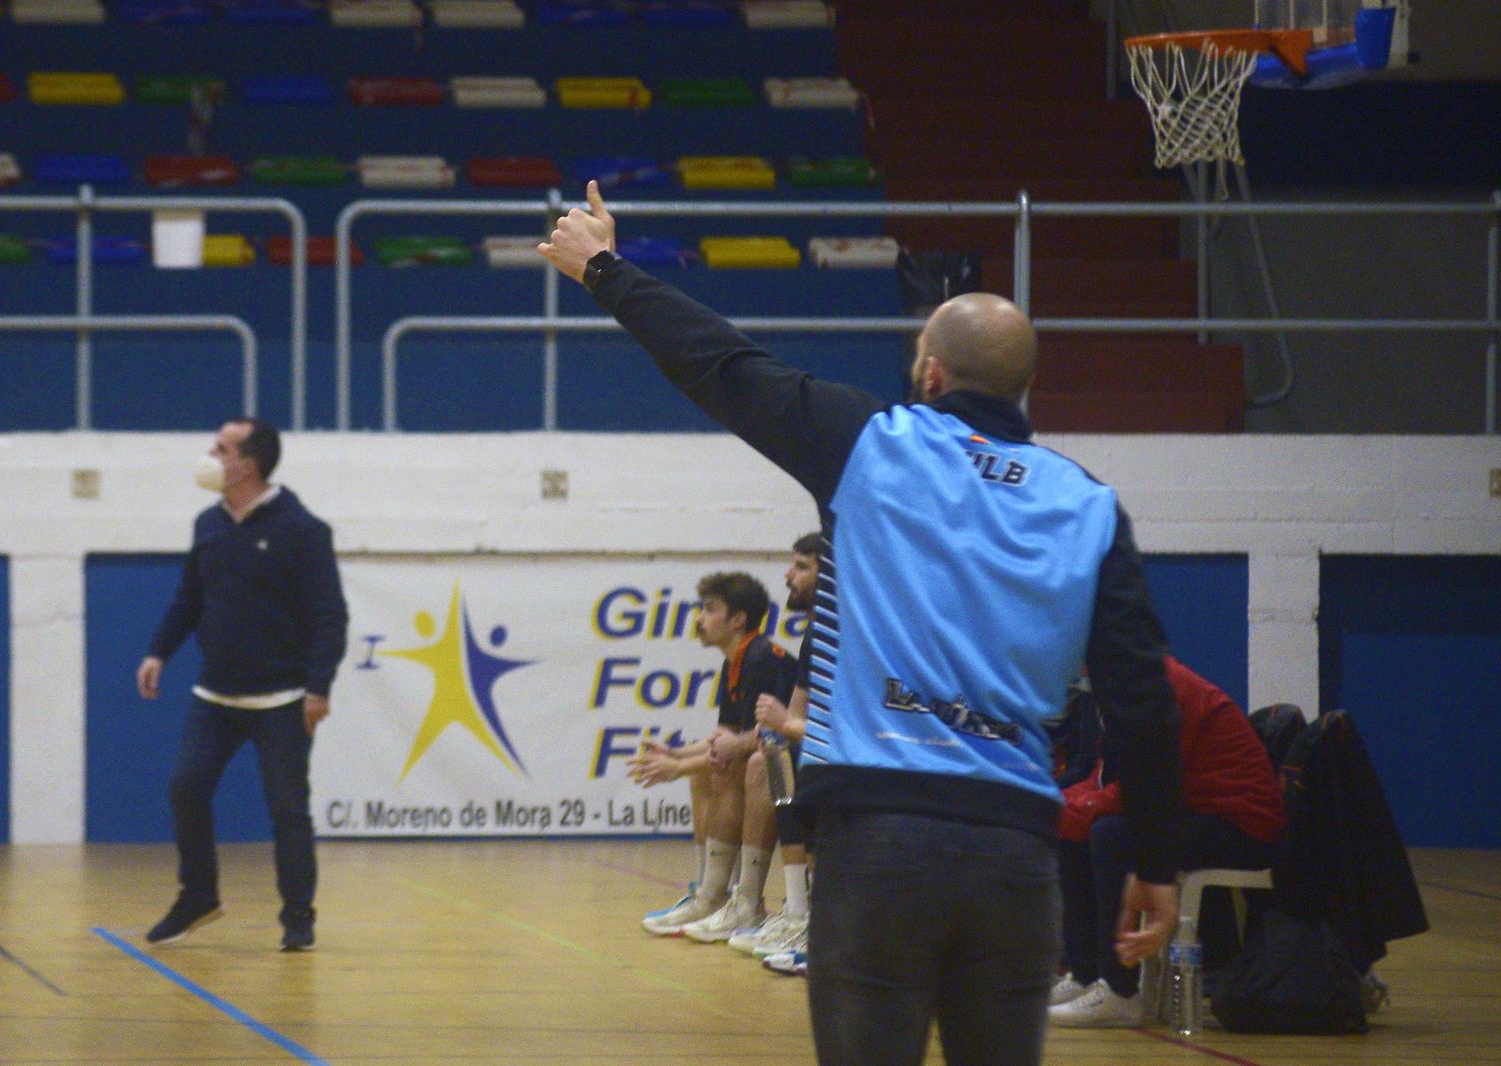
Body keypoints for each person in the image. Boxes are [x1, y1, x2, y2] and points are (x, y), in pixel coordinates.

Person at [539, 183, 1183, 1066]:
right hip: (1015, 854)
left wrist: (605, 270)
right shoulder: (1089, 505)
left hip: (879, 844)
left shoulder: (869, 445)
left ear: (930, 373)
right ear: (1026, 386)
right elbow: (1144, 702)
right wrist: (1156, 861)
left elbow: (721, 363)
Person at [136, 418, 348, 952]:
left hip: (283, 700)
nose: (209, 455)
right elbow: (189, 598)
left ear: (246, 465)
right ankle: (198, 897)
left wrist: (318, 687)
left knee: (288, 811)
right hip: (216, 695)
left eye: (220, 448)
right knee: (186, 788)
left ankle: (298, 917)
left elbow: (330, 617)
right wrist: (158, 651)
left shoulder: (303, 530)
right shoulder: (207, 524)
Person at [1048, 656, 1285, 1027]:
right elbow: (1104, 778)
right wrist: (1060, 804)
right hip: (1193, 810)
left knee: (1109, 835)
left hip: (1240, 824)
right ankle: (1086, 974)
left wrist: (1073, 808)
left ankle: (1119, 990)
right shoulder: (1119, 690)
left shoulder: (1159, 690)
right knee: (1071, 827)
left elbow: (1149, 786)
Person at [631, 572, 797, 941]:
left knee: (741, 765)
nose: (699, 618)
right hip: (775, 754)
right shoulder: (736, 660)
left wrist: (676, 767)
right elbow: (726, 737)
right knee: (707, 770)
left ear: (738, 619)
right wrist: (678, 754)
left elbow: (761, 741)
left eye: (709, 609)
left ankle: (746, 902)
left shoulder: (761, 658)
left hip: (799, 762)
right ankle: (710, 894)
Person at [730, 533, 821, 970]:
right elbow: (796, 717)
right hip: (823, 748)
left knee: (785, 758)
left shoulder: (850, 634)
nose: (788, 575)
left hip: (858, 759)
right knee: (775, 754)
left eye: (802, 566)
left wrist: (786, 725)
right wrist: (780, 728)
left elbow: (849, 727)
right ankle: (794, 908)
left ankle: (813, 916)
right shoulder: (815, 636)